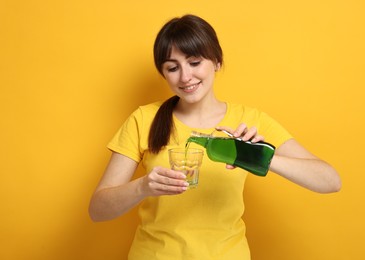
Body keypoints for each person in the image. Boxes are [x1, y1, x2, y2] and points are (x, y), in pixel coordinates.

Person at [89, 14, 341, 259]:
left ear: (217, 62)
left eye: (195, 62)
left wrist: (257, 154)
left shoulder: (251, 120)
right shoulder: (144, 119)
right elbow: (98, 210)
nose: (185, 77)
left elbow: (330, 181)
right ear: (163, 74)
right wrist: (143, 187)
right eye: (173, 68)